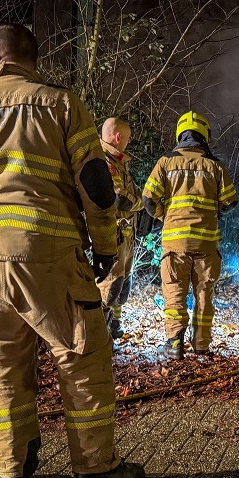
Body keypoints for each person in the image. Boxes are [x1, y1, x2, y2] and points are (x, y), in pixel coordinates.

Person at [0, 23, 144, 478]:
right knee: (82, 356)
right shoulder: (61, 104)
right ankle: (95, 469)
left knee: (3, 364)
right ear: (33, 60)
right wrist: (104, 247)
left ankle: (13, 475)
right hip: (51, 253)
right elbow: (97, 185)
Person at [142, 110, 238, 360]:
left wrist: (164, 216)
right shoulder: (215, 166)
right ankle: (202, 346)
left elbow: (148, 198)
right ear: (204, 135)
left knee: (174, 291)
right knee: (204, 294)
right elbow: (231, 201)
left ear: (180, 134)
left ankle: (174, 344)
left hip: (175, 242)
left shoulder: (166, 162)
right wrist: (214, 213)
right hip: (206, 243)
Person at [96, 117, 144, 339]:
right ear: (118, 137)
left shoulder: (119, 163)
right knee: (110, 285)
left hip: (124, 235)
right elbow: (120, 198)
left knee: (121, 285)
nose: (129, 141)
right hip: (112, 234)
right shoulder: (104, 162)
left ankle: (113, 326)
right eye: (128, 138)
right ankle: (99, 332)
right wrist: (142, 203)